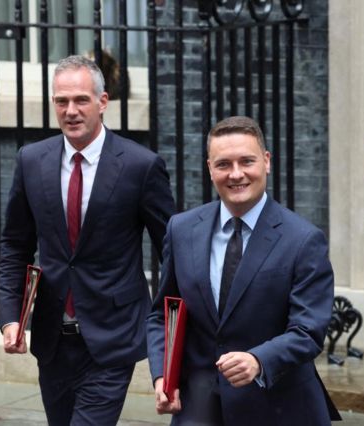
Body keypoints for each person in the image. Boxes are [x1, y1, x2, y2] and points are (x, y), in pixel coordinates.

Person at [0, 55, 176, 425]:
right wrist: (10, 318)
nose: (71, 111)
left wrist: (168, 334)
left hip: (113, 338)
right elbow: (15, 245)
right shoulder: (31, 161)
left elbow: (171, 250)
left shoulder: (141, 166)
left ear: (103, 102)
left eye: (81, 100)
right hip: (52, 340)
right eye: (62, 101)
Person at [146, 116, 341, 425]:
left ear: (266, 162)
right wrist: (162, 375)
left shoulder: (303, 239)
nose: (236, 174)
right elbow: (163, 315)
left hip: (277, 405)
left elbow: (308, 330)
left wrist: (258, 359)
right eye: (223, 164)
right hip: (199, 406)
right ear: (210, 168)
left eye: (246, 161)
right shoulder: (181, 229)